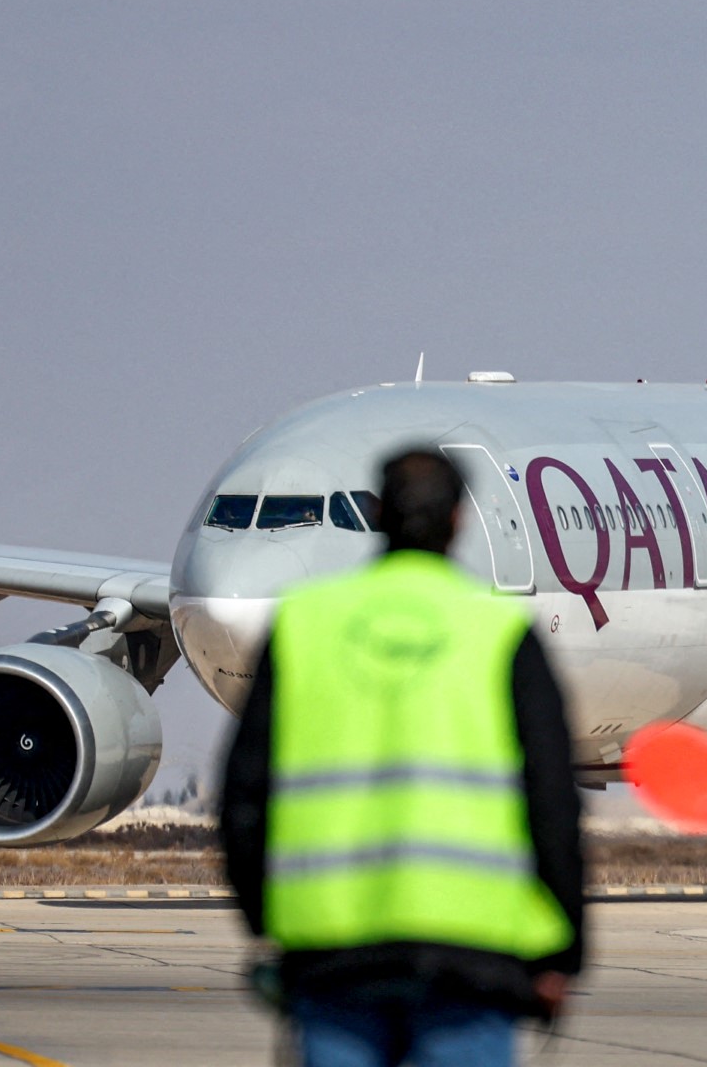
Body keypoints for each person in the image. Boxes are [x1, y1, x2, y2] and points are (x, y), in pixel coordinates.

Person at [221, 449, 583, 1067]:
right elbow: (551, 801)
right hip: (474, 957)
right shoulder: (499, 629)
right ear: (460, 521)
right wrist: (563, 954)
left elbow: (243, 797)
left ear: (379, 514)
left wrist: (267, 923)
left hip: (333, 956)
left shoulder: (305, 624)